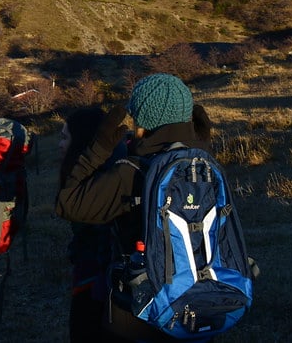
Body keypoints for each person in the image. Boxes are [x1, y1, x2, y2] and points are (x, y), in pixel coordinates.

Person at [56, 73, 206, 341]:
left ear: (143, 120)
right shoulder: (204, 167)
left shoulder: (133, 173)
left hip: (140, 311)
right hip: (197, 303)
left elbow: (68, 204)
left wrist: (98, 148)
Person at [57, 107, 129, 343]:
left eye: (65, 137)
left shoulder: (94, 179)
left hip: (95, 280)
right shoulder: (115, 165)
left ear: (81, 142)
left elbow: (68, 206)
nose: (59, 144)